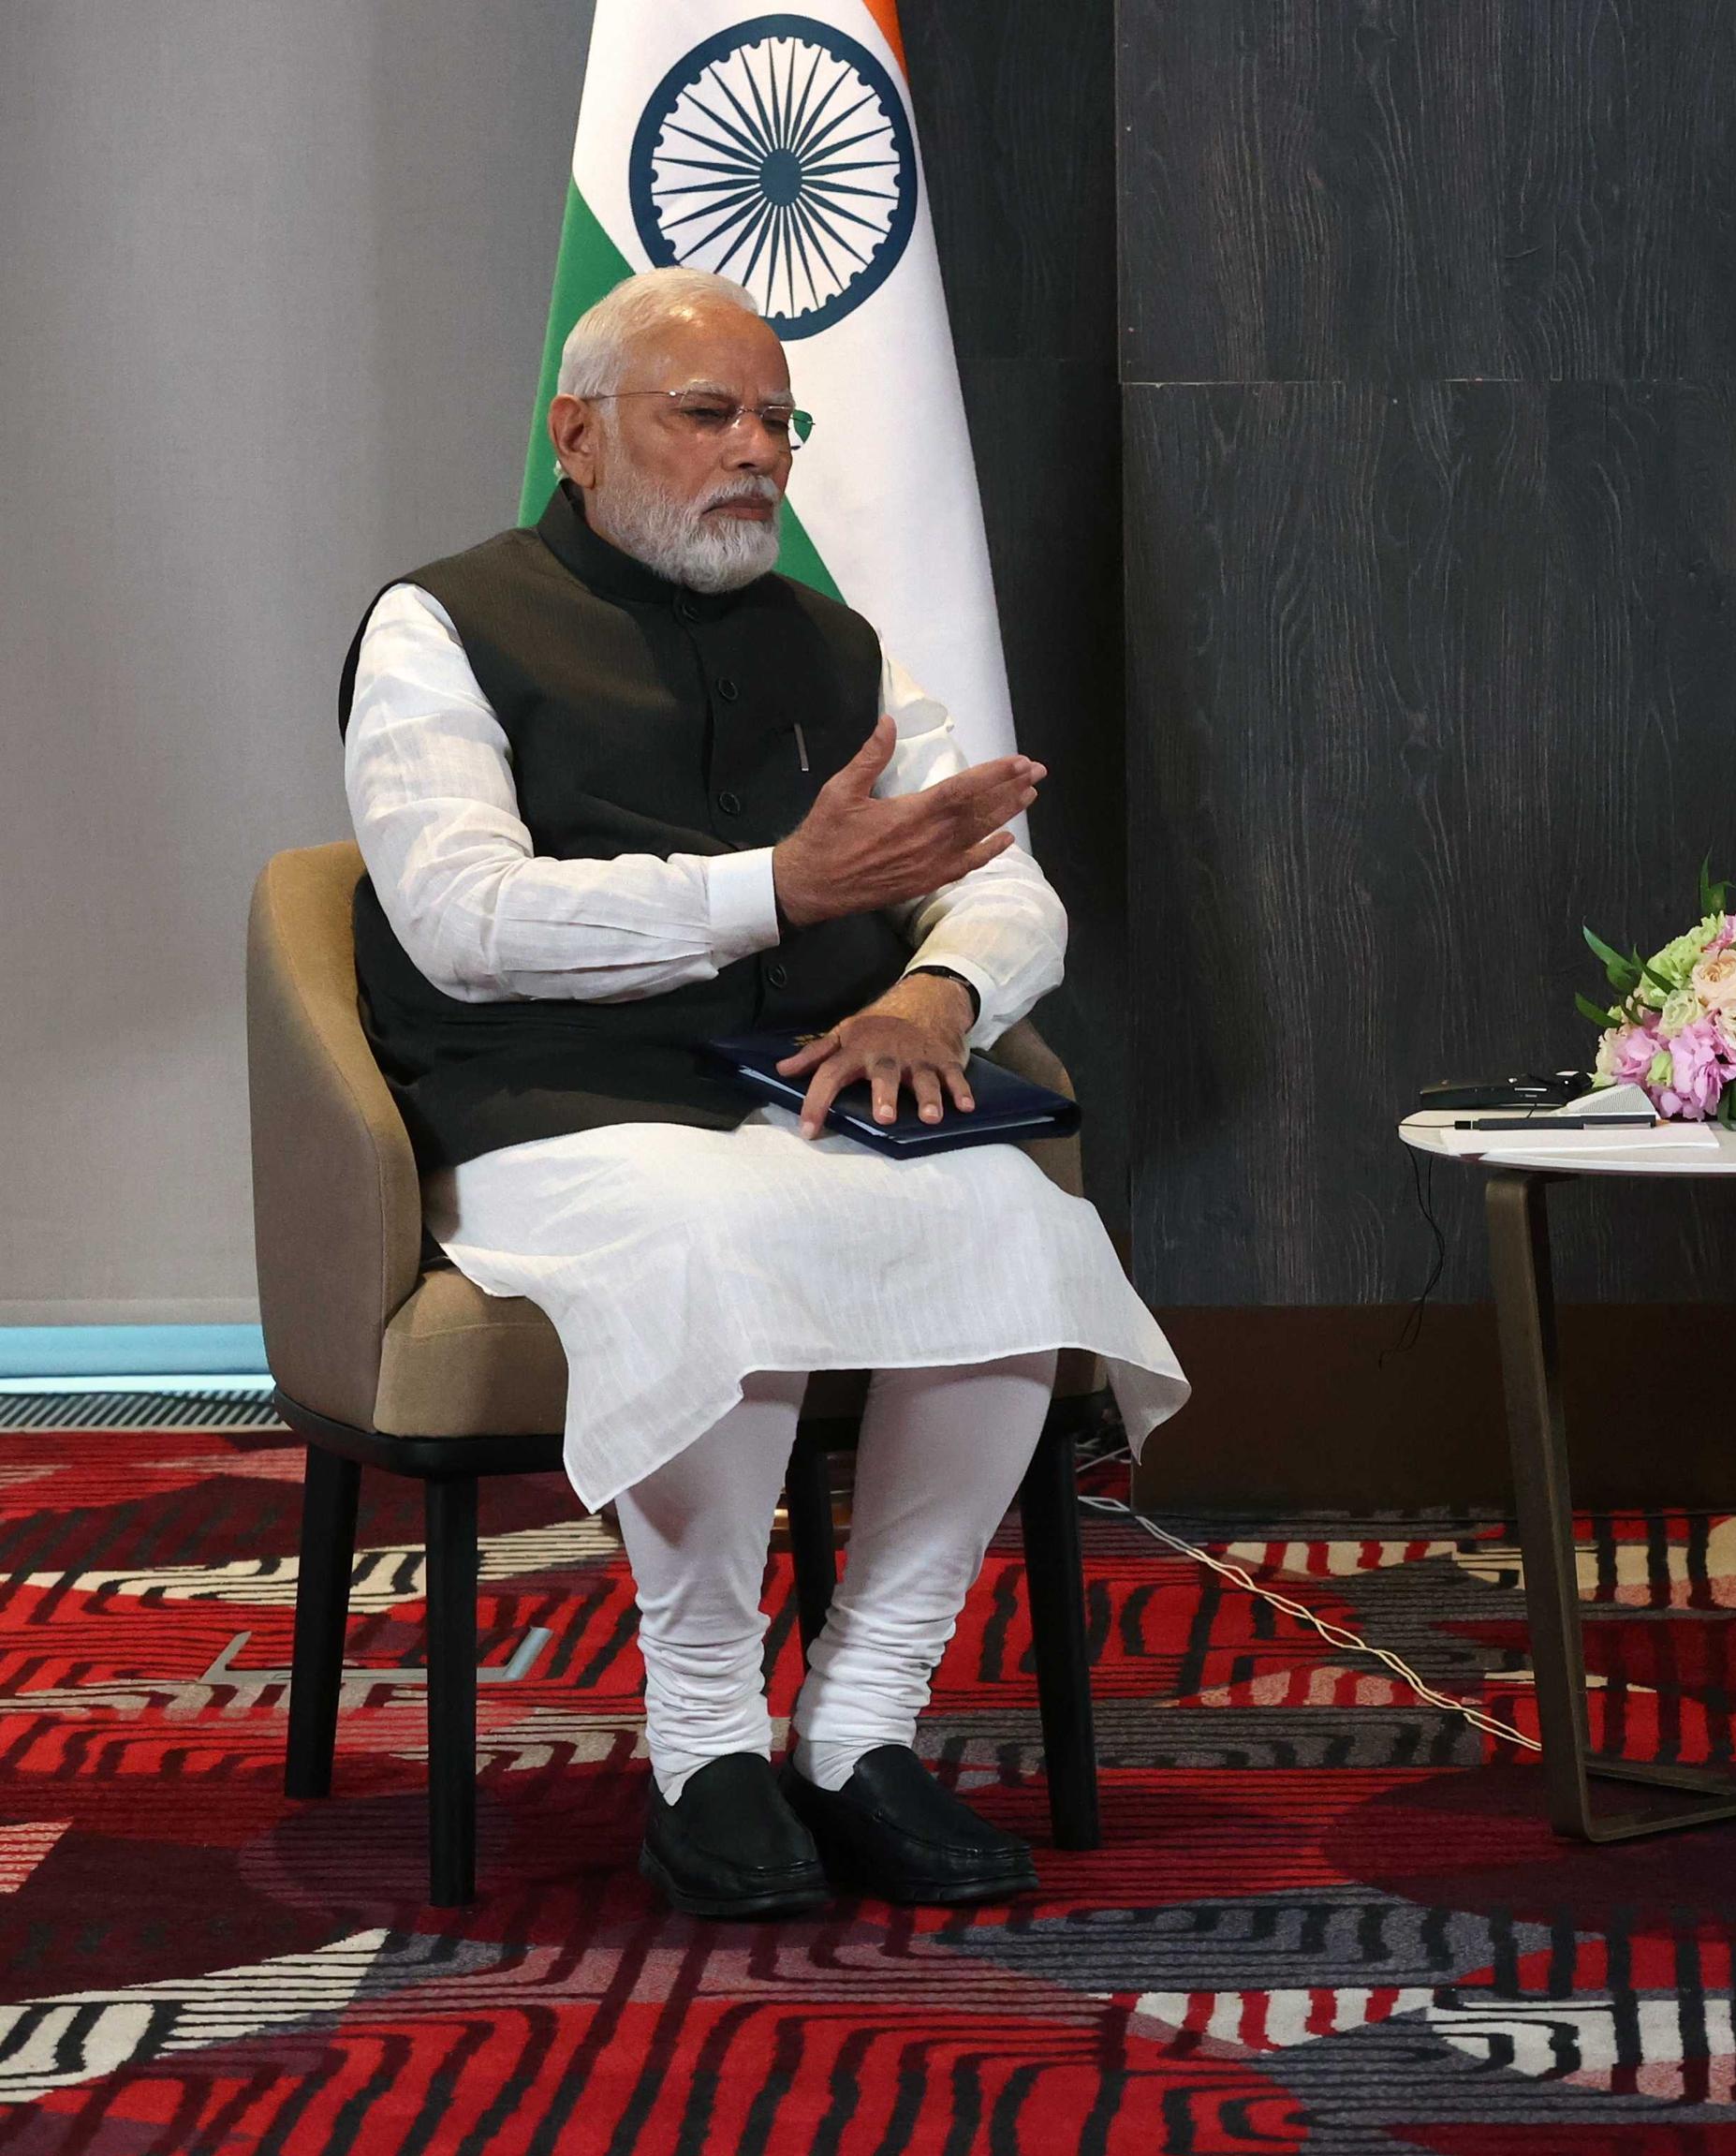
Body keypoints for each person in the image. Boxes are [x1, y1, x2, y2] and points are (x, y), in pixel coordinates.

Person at [340, 267, 1188, 1919]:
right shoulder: (440, 626)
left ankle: (861, 1727)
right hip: (554, 1107)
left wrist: (941, 987)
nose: (758, 453)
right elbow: (461, 920)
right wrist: (771, 894)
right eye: (708, 414)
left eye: (779, 421)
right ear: (576, 434)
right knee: (715, 1237)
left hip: (799, 1094)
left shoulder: (841, 646)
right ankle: (707, 1745)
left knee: (1011, 1224)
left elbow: (1009, 886)